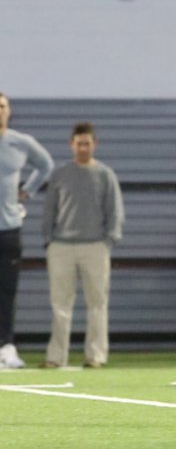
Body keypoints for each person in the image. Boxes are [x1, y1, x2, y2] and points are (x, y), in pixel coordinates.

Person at [41, 122, 124, 368]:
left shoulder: (105, 175)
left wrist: (109, 240)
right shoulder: (60, 174)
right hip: (61, 247)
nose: (83, 148)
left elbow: (115, 210)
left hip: (95, 246)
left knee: (97, 303)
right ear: (72, 145)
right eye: (79, 143)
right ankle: (56, 358)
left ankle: (96, 356)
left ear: (94, 144)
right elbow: (49, 210)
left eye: (87, 143)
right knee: (60, 304)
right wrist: (49, 239)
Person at [0, 92, 54, 369]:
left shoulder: (20, 143)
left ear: (9, 111)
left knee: (7, 291)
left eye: (2, 106)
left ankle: (6, 347)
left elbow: (45, 166)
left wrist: (27, 192)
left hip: (9, 228)